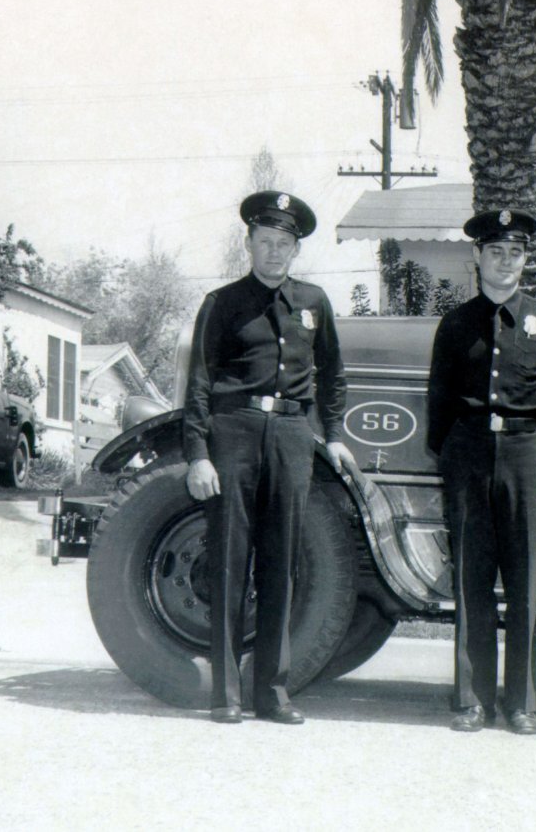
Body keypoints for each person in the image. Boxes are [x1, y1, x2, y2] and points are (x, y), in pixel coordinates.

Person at [182, 190, 358, 725]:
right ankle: (226, 695)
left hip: (290, 436)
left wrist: (333, 435)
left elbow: (333, 375)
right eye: (265, 241)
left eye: (284, 243)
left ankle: (273, 693)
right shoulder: (221, 303)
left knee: (282, 565)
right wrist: (198, 454)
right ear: (249, 244)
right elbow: (200, 382)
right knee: (230, 562)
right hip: (233, 433)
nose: (274, 251)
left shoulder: (314, 303)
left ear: (296, 249)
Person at [427, 209, 536, 736]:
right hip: (469, 453)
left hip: (528, 453)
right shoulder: (455, 323)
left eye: (515, 252)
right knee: (472, 581)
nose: (505, 261)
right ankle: (473, 700)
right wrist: (451, 458)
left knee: (524, 581)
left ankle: (522, 704)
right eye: (496, 251)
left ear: (526, 260)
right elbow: (438, 400)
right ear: (478, 256)